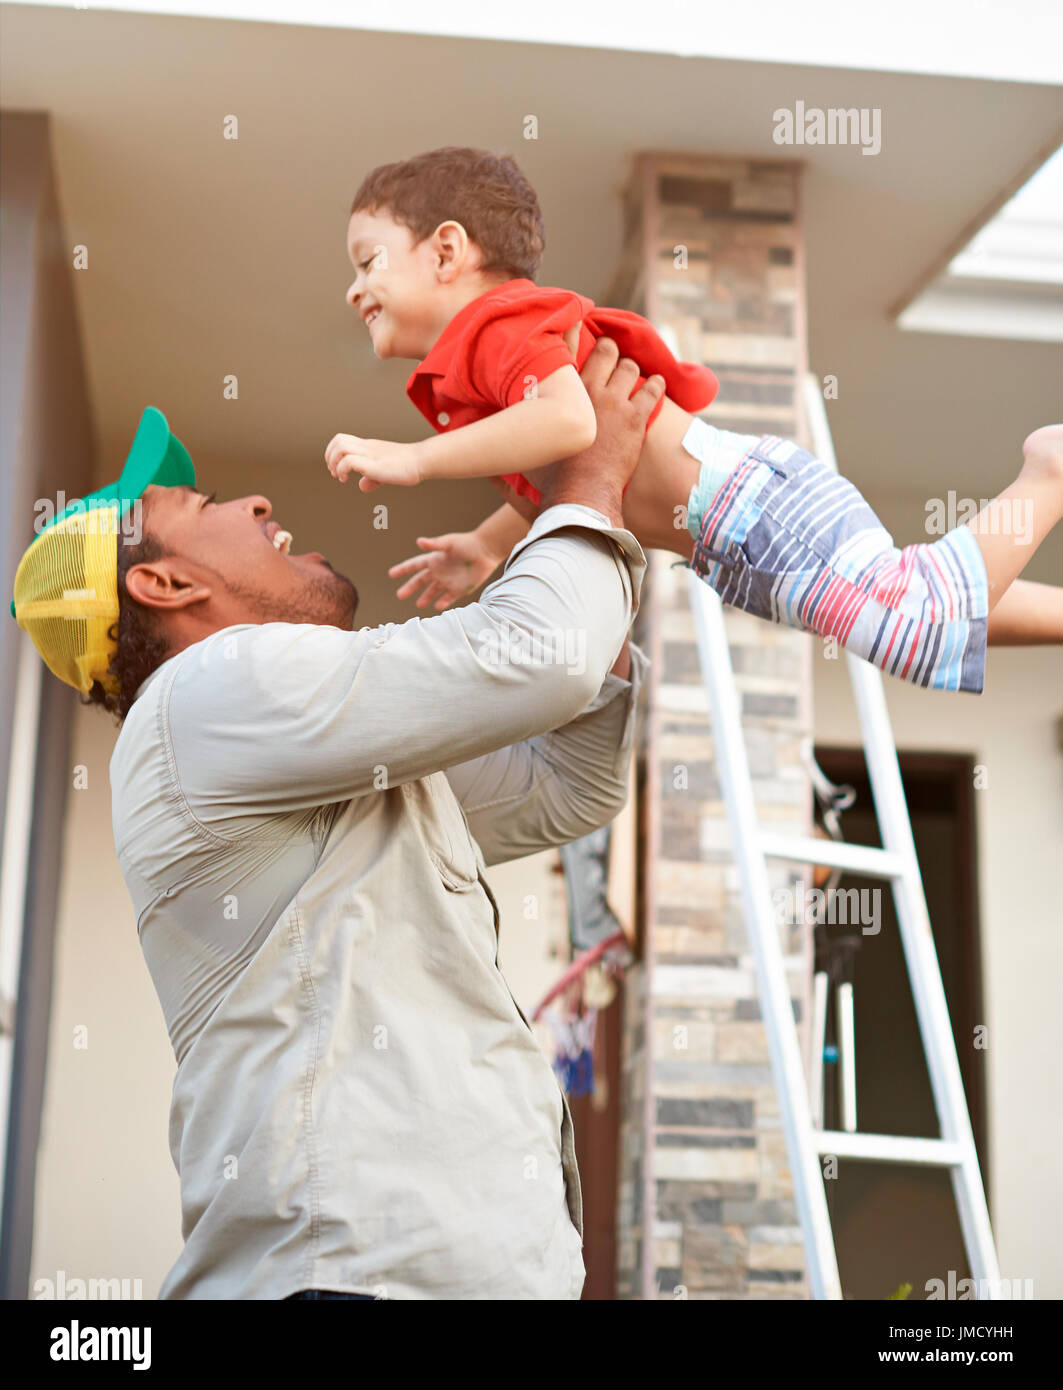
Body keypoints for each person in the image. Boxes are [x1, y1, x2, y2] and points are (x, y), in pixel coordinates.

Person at [9, 337, 660, 1300]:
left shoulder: (309, 745)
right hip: (353, 1283)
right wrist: (587, 484)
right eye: (202, 506)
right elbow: (540, 657)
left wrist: (567, 499)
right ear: (165, 585)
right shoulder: (210, 692)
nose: (256, 505)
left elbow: (560, 780)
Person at [326, 145, 1063, 696]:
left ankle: (1048, 470)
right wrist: (486, 549)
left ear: (448, 250)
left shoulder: (497, 325)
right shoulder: (476, 368)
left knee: (912, 624)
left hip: (750, 508)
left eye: (368, 262)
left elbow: (569, 424)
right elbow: (551, 477)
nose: (355, 288)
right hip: (732, 544)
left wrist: (419, 459)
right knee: (918, 608)